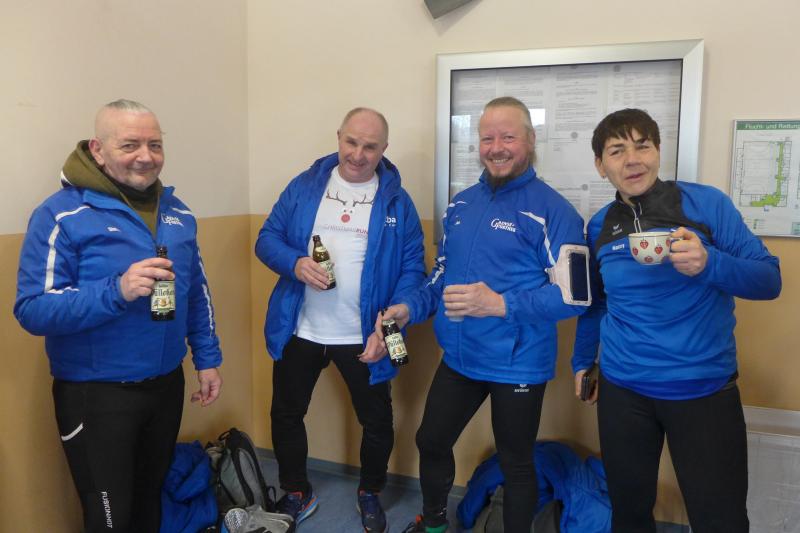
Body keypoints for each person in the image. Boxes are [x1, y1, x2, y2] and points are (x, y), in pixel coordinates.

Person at [378, 96, 589, 533]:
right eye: (487, 138)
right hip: (461, 356)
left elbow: (575, 297)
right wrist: (408, 308)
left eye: (508, 137)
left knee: (516, 463)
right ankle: (434, 524)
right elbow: (441, 276)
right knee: (431, 440)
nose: (496, 147)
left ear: (530, 140)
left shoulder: (555, 211)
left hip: (518, 363)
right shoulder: (461, 204)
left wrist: (500, 304)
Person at [14, 99, 223, 532]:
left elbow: (196, 293)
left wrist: (207, 359)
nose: (146, 156)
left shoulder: (178, 213)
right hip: (97, 395)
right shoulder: (60, 214)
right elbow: (32, 309)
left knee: (150, 505)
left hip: (165, 385)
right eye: (130, 145)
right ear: (98, 149)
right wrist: (117, 291)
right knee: (110, 518)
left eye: (155, 145)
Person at [572, 108, 782, 532]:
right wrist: (582, 361)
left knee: (720, 521)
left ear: (658, 151)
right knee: (629, 515)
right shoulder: (599, 226)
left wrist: (710, 263)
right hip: (622, 390)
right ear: (600, 165)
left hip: (702, 389)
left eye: (643, 146)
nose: (633, 160)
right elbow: (597, 302)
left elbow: (769, 279)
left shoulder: (706, 204)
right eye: (617, 150)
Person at [254, 107, 425, 532]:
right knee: (286, 413)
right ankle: (297, 491)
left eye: (370, 147)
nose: (358, 154)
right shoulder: (305, 185)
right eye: (351, 142)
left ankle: (370, 492)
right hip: (301, 328)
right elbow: (266, 239)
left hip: (364, 335)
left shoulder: (398, 202)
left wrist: (392, 323)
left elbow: (412, 270)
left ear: (384, 150)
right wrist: (294, 263)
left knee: (377, 421)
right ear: (338, 137)